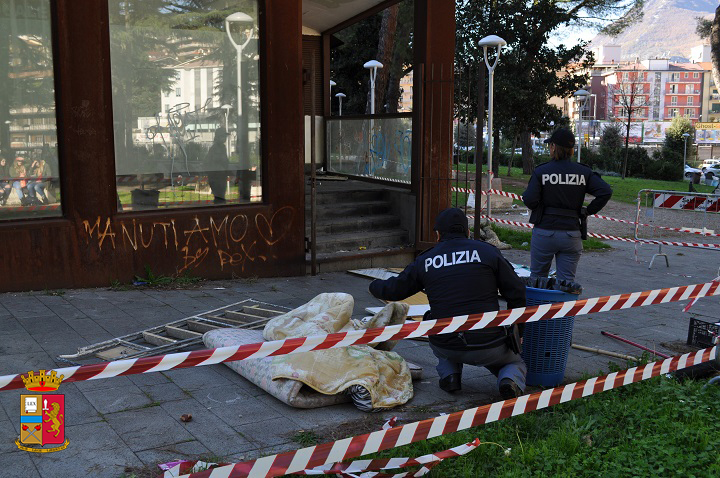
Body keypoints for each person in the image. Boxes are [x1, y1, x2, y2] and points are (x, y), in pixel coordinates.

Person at [368, 207, 527, 399]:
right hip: (489, 343)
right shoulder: (488, 252)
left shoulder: (425, 260)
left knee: (432, 321)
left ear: (438, 234)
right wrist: (518, 331)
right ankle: (509, 381)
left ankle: (450, 375)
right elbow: (517, 292)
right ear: (467, 232)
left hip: (446, 342)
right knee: (515, 362)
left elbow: (395, 290)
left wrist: (374, 285)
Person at [522, 128, 612, 282]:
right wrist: (588, 211)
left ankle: (538, 306)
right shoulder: (583, 172)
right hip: (571, 234)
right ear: (571, 150)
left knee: (537, 279)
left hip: (544, 231)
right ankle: (562, 306)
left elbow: (529, 200)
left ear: (554, 147)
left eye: (550, 145)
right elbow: (605, 191)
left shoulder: (542, 171)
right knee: (566, 283)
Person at [205, 127, 230, 204]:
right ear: (218, 137)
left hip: (219, 176)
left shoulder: (220, 147)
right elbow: (221, 161)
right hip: (217, 176)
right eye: (223, 136)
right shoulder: (217, 148)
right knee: (220, 198)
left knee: (220, 197)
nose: (225, 138)